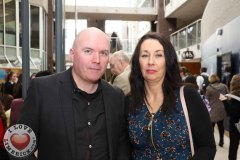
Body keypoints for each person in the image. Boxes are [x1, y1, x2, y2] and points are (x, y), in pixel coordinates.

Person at [14, 27, 130, 160]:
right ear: (73, 54)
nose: (96, 60)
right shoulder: (42, 90)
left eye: (103, 53)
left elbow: (122, 147)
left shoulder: (116, 96)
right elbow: (18, 146)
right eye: (88, 51)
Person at [126, 32, 216, 159]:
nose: (151, 62)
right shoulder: (129, 102)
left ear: (168, 61)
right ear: (137, 61)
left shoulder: (188, 96)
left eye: (158, 55)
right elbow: (124, 148)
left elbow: (207, 147)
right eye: (145, 55)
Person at [205, 74, 228, 147]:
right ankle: (221, 141)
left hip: (212, 109)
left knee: (211, 126)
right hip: (222, 108)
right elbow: (227, 96)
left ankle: (211, 142)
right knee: (221, 126)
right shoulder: (224, 86)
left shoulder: (209, 88)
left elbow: (206, 99)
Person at [223, 74, 240, 160]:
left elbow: (232, 113)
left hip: (235, 126)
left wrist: (224, 102)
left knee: (233, 148)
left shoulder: (234, 96)